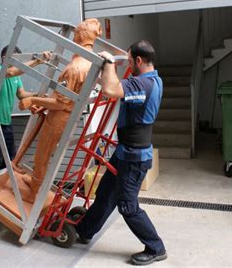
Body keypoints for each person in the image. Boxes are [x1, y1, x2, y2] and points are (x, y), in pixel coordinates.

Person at [75, 40, 167, 266]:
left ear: (138, 61)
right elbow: (117, 83)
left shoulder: (142, 85)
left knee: (127, 206)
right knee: (105, 192)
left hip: (135, 158)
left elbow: (109, 89)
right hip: (125, 152)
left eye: (128, 60)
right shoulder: (152, 79)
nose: (127, 63)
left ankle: (156, 248)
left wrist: (108, 62)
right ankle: (85, 231)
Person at [17, 18, 102, 202]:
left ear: (81, 35)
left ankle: (33, 193)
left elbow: (60, 103)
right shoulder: (91, 63)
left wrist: (31, 99)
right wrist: (44, 102)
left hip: (59, 117)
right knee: (45, 154)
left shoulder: (74, 67)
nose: (74, 36)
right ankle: (35, 182)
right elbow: (63, 97)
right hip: (68, 114)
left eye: (76, 33)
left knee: (42, 154)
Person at [0, 45, 49, 174]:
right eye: (15, 60)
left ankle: (8, 185)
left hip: (6, 122)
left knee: (10, 158)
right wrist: (37, 61)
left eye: (19, 61)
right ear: (4, 58)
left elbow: (22, 94)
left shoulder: (16, 77)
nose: (19, 64)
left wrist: (38, 95)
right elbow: (10, 72)